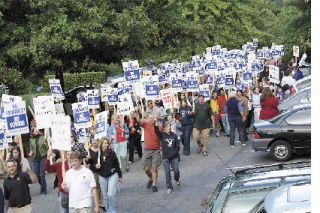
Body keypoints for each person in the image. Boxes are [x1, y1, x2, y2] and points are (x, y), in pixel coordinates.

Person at [93, 139, 123, 213]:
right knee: (105, 196)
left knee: (111, 194)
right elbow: (93, 164)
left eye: (107, 143)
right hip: (102, 176)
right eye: (104, 143)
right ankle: (108, 210)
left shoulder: (112, 153)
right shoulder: (98, 154)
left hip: (112, 175)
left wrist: (120, 176)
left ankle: (112, 211)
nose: (106, 144)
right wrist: (96, 166)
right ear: (101, 144)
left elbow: (117, 164)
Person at [136, 112, 163, 192]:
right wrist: (139, 114)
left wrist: (162, 149)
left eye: (153, 118)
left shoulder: (159, 127)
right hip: (147, 150)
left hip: (156, 150)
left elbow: (162, 137)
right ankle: (151, 178)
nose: (152, 119)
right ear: (148, 119)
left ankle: (154, 185)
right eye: (150, 118)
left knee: (154, 168)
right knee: (146, 168)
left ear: (155, 119)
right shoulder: (146, 124)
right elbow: (139, 121)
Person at [154, 121, 180, 194]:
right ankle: (169, 187)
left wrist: (173, 154)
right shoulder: (162, 135)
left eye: (169, 126)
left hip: (174, 156)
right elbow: (156, 131)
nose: (169, 128)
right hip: (165, 158)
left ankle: (177, 179)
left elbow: (177, 147)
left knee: (176, 171)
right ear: (164, 128)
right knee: (167, 172)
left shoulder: (174, 135)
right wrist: (155, 123)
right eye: (167, 127)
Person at [85, 138, 105, 211]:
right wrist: (87, 158)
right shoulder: (89, 150)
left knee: (102, 187)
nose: (94, 142)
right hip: (94, 171)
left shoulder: (101, 149)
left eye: (95, 140)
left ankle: (102, 201)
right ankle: (100, 203)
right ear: (91, 142)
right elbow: (87, 163)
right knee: (97, 187)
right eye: (92, 141)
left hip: (103, 170)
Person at [29, 128, 48, 195]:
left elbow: (48, 147)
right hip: (35, 159)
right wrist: (30, 153)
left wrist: (47, 144)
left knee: (42, 174)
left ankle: (43, 190)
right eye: (34, 130)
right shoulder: (31, 140)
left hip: (43, 157)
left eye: (37, 129)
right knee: (37, 174)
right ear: (33, 132)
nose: (36, 130)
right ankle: (43, 184)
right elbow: (31, 149)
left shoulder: (43, 138)